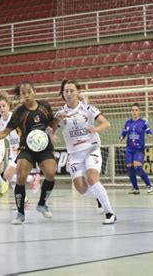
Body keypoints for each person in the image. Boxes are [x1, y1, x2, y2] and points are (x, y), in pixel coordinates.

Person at [0, 81, 57, 225]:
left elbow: (52, 124)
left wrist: (52, 133)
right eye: (23, 93)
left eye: (29, 91)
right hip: (26, 148)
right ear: (21, 95)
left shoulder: (45, 106)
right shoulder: (19, 112)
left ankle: (42, 204)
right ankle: (20, 213)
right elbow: (5, 132)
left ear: (34, 91)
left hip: (44, 146)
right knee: (20, 177)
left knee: (50, 173)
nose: (27, 95)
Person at [53, 79, 116, 224]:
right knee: (81, 188)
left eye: (71, 90)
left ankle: (110, 213)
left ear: (77, 92)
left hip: (91, 148)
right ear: (63, 94)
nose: (68, 94)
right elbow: (51, 129)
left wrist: (95, 129)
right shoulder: (61, 113)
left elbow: (106, 123)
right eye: (66, 91)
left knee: (92, 178)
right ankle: (98, 196)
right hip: (74, 153)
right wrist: (52, 132)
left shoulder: (88, 108)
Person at [120, 103, 153, 194]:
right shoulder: (127, 123)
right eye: (133, 110)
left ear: (139, 111)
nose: (134, 112)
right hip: (129, 149)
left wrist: (149, 134)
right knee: (130, 168)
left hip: (139, 149)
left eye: (136, 110)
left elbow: (149, 132)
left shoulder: (143, 123)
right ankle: (135, 188)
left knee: (138, 167)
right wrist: (121, 138)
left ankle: (149, 186)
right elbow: (123, 133)